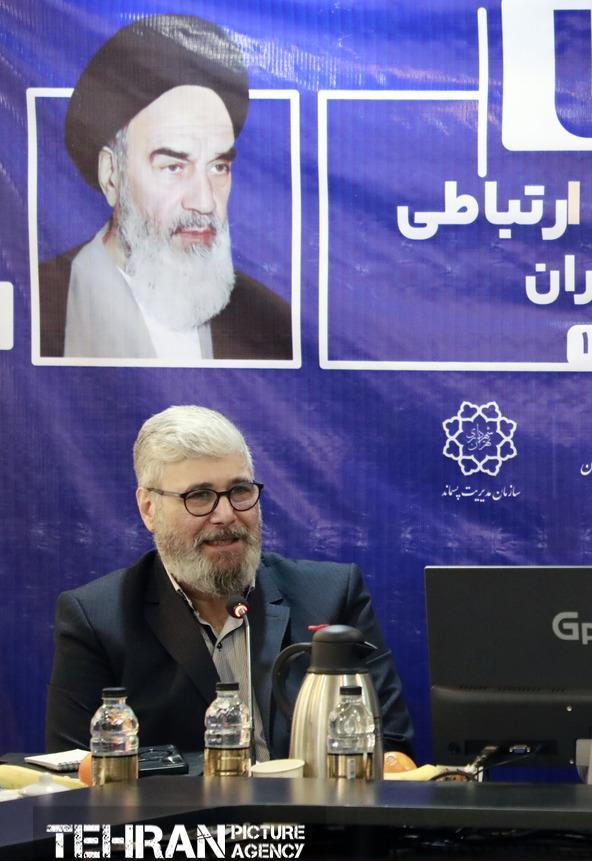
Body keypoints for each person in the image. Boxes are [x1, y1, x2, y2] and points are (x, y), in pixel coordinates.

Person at [44, 405, 413, 759]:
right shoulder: (98, 619)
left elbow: (392, 748)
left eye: (239, 491)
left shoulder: (331, 596)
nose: (225, 515)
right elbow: (74, 771)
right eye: (199, 496)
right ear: (149, 509)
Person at [38, 15, 291, 361]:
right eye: (174, 167)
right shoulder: (39, 304)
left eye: (218, 167)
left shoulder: (268, 324)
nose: (205, 201)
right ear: (112, 176)